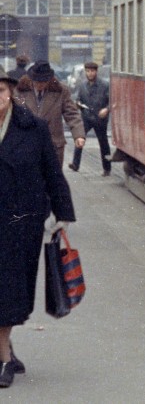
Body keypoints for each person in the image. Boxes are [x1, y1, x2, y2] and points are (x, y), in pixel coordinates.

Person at [0, 73, 77, 388]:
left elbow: (52, 172)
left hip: (20, 224)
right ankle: (4, 355)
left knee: (10, 291)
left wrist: (63, 213)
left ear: (10, 93)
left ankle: (4, 351)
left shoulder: (33, 128)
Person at [17, 61, 84, 167]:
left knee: (53, 176)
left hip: (53, 144)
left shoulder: (60, 91)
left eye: (43, 81)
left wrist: (78, 135)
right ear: (31, 78)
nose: (40, 84)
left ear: (49, 79)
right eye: (37, 81)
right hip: (26, 144)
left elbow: (71, 114)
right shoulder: (19, 91)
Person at [72, 61, 111, 175]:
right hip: (86, 117)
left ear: (96, 71)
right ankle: (75, 164)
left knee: (103, 143)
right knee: (80, 138)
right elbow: (78, 99)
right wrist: (78, 104)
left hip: (100, 118)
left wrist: (106, 110)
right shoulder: (82, 85)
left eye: (92, 71)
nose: (90, 73)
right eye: (88, 71)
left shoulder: (105, 85)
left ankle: (107, 168)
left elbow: (112, 101)